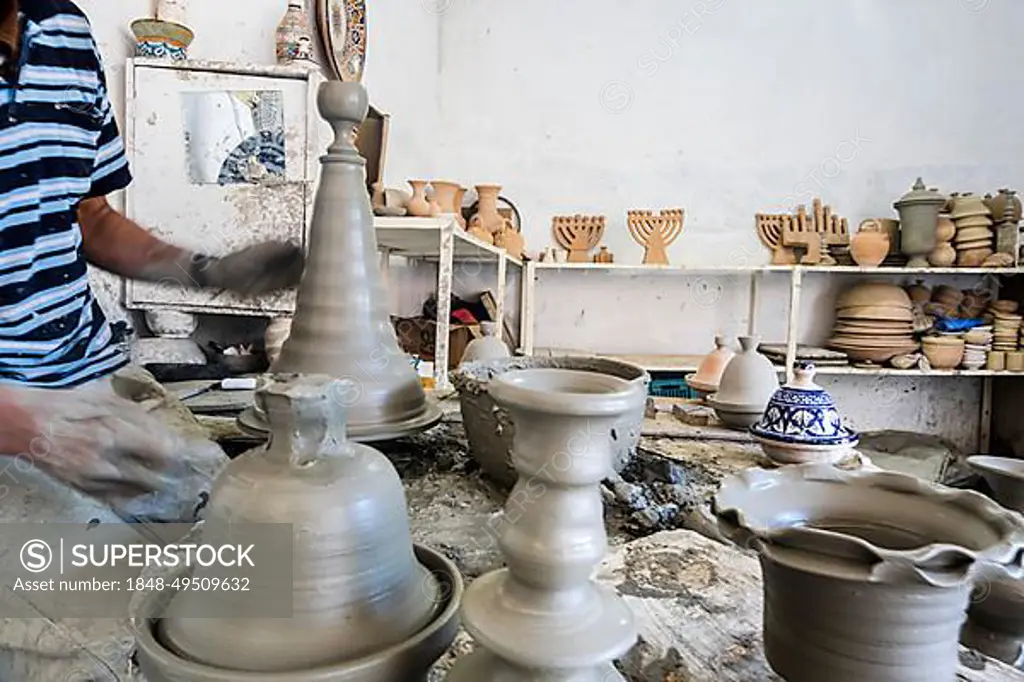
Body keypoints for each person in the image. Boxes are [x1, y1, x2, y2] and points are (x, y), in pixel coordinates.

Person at [0, 0, 304, 507]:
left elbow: (87, 214)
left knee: (228, 514)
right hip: (16, 414)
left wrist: (204, 270)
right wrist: (25, 426)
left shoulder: (64, 32)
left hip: (82, 371)